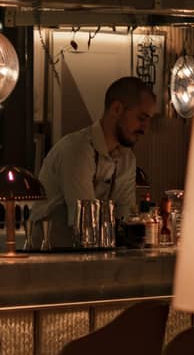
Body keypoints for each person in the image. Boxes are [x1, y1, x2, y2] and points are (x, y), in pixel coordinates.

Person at [30, 76, 156, 249]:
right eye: (141, 118)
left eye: (149, 120)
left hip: (89, 258)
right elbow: (85, 223)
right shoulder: (77, 150)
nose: (146, 128)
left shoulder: (127, 159)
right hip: (51, 258)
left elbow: (125, 219)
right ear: (117, 109)